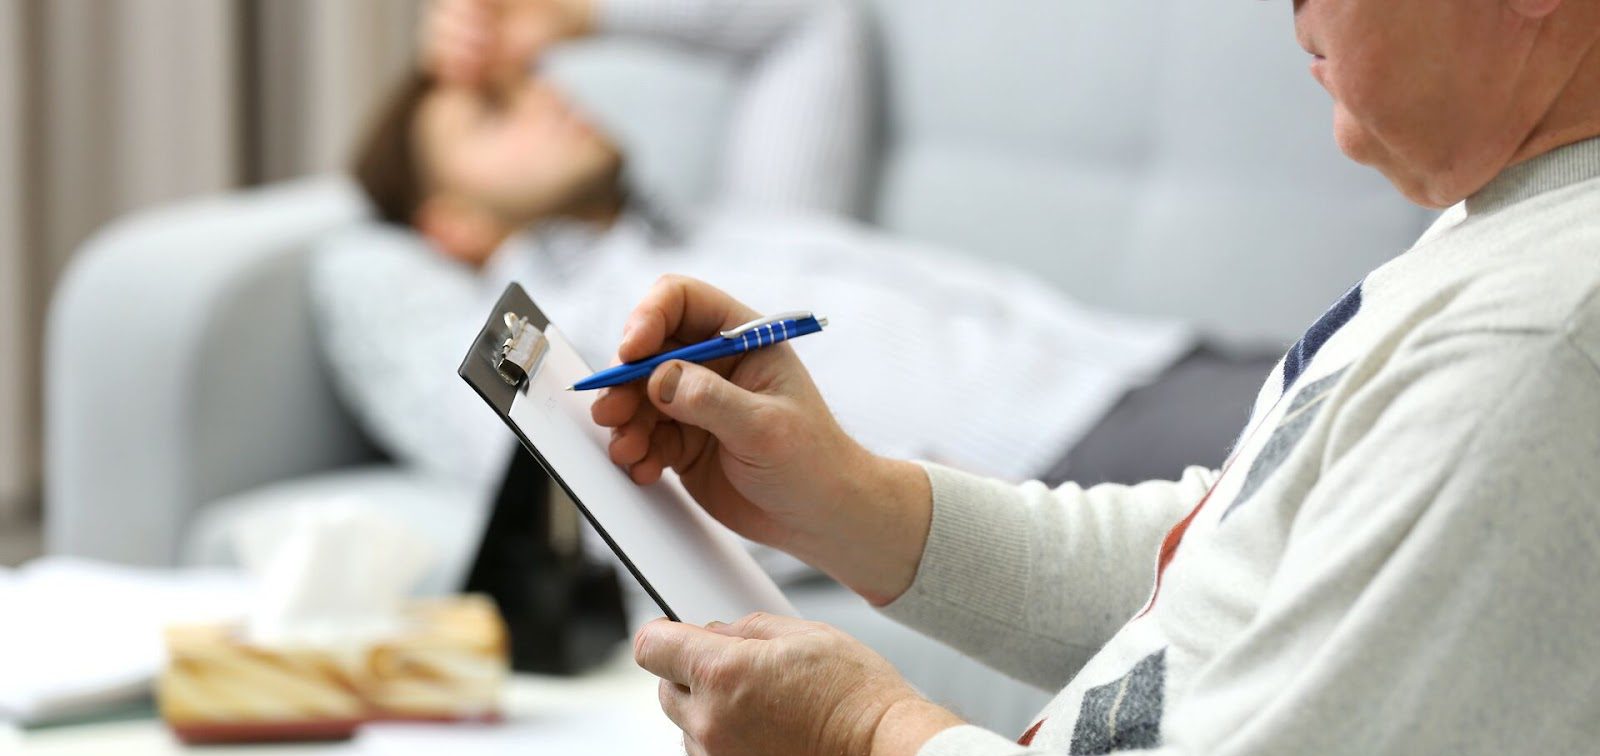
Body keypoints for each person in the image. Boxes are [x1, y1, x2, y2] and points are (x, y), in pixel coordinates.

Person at [590, 0, 1600, 756]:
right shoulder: (1514, 230)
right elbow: (1238, 561)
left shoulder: (1539, 343)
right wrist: (849, 500)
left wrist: (865, 749)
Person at [331, 0, 1276, 504]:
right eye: (495, 112)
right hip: (1070, 457)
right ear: (451, 225)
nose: (545, 94)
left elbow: (811, 21)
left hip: (1162, 358)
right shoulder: (572, 335)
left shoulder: (747, 217)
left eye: (531, 78)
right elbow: (383, 310)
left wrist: (568, 15)